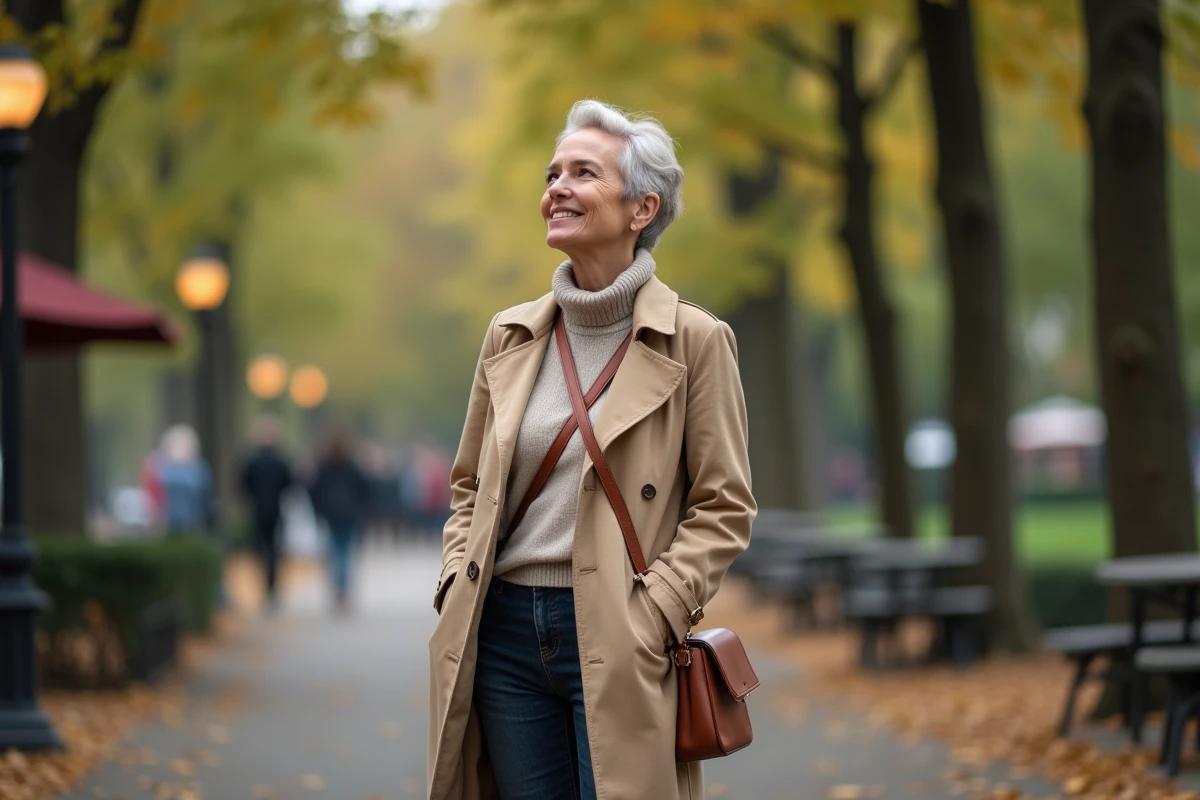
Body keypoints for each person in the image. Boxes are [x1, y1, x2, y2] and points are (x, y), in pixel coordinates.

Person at [427, 100, 756, 800]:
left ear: (642, 208)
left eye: (582, 172)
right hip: (504, 632)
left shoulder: (695, 340)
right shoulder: (509, 336)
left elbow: (724, 506)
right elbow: (468, 485)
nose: (556, 188)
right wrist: (458, 574)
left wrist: (656, 608)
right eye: (552, 174)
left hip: (618, 623)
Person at [308, 427, 371, 612]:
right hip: (349, 514)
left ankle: (337, 587)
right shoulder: (351, 465)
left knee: (334, 552)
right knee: (346, 553)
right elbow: (365, 488)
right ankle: (343, 589)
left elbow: (314, 490)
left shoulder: (323, 466)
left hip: (330, 514)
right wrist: (361, 508)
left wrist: (318, 510)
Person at [239, 416, 293, 610]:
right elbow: (289, 484)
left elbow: (243, 484)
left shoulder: (252, 461)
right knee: (272, 550)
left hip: (258, 509)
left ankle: (266, 586)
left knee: (260, 550)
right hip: (275, 509)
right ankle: (271, 588)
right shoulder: (281, 460)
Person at [155, 424, 212, 534]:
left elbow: (204, 496)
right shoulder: (163, 466)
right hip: (169, 520)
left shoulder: (199, 468)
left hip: (194, 520)